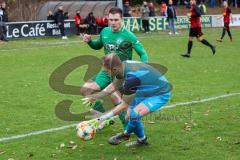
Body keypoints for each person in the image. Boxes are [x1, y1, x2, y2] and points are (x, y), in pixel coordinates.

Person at [81, 7, 149, 141]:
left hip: (121, 74)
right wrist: (89, 42)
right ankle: (104, 117)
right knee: (86, 90)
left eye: (116, 20)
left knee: (118, 101)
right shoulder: (105, 31)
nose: (113, 22)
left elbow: (143, 53)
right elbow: (97, 45)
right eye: (110, 20)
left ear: (121, 20)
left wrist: (142, 68)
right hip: (106, 71)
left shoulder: (129, 35)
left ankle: (127, 130)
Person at [82, 54, 171, 147]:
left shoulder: (131, 78)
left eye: (106, 71)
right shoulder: (123, 66)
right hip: (144, 89)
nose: (105, 73)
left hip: (159, 93)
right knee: (129, 116)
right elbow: (114, 85)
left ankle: (126, 134)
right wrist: (97, 96)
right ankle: (142, 140)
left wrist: (100, 118)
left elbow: (124, 104)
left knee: (134, 114)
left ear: (114, 69)